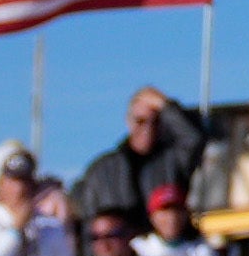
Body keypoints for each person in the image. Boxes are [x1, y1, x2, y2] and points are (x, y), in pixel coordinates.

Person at [71, 87, 201, 230]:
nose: (148, 128)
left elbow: (193, 139)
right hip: (120, 249)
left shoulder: (174, 160)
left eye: (155, 121)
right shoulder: (102, 170)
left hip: (162, 249)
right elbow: (87, 222)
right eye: (140, 121)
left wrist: (165, 105)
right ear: (128, 121)